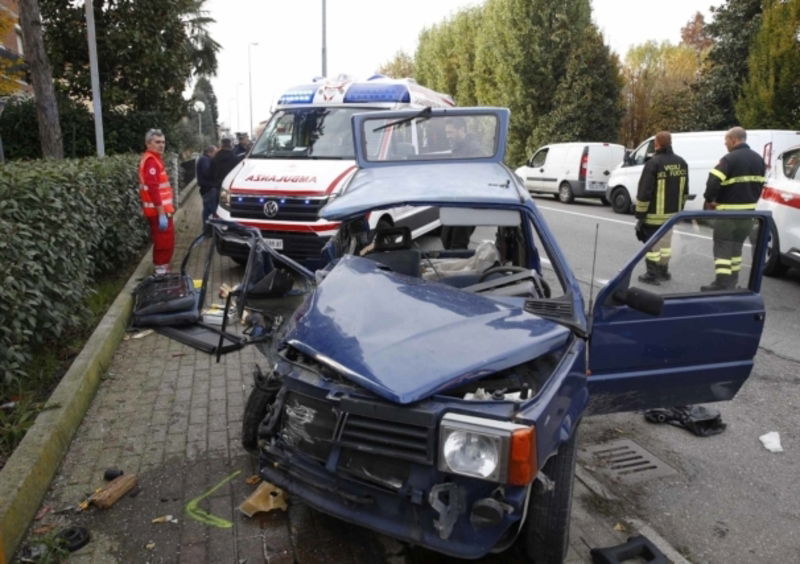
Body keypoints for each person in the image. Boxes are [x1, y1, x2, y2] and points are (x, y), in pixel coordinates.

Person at [701, 126, 766, 291]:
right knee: (736, 250)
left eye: (726, 141)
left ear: (733, 140)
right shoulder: (759, 160)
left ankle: (722, 284)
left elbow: (713, 180)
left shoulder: (729, 159)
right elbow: (759, 185)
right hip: (748, 215)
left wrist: (710, 199)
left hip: (728, 214)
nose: (725, 145)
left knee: (723, 248)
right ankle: (732, 282)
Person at [633, 131, 689, 285]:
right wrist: (679, 212)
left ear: (657, 144)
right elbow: (685, 191)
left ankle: (651, 274)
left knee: (652, 247)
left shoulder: (653, 163)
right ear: (670, 143)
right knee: (665, 246)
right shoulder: (681, 162)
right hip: (672, 216)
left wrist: (640, 215)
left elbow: (645, 191)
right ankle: (663, 272)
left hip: (654, 216)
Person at [138, 128, 175, 275]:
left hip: (161, 211)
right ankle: (161, 270)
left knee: (164, 241)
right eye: (157, 142)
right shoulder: (151, 161)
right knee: (163, 242)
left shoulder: (153, 159)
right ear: (148, 144)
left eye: (163, 142)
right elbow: (153, 189)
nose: (161, 145)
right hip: (159, 212)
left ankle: (162, 268)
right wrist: (161, 213)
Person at [197, 144, 218, 224]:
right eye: (215, 153)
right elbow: (207, 173)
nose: (216, 155)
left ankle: (207, 228)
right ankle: (207, 228)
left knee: (208, 208)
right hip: (208, 188)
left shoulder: (205, 159)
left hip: (207, 188)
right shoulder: (205, 160)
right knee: (209, 209)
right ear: (210, 152)